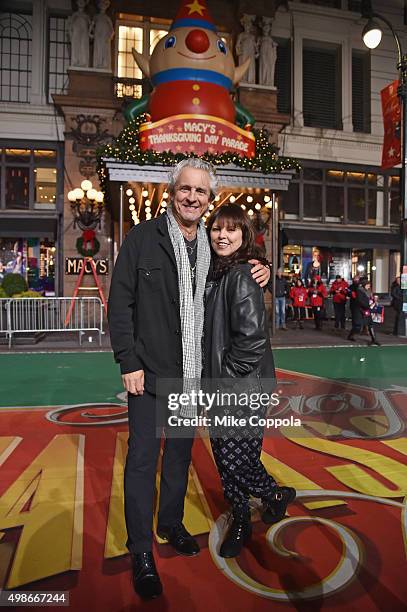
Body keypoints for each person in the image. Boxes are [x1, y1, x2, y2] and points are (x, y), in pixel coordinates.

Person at [108, 159, 270, 600]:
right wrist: (128, 361)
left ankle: (171, 523)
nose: (193, 197)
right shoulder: (143, 238)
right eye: (186, 189)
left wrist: (263, 268)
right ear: (171, 191)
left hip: (190, 377)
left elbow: (240, 267)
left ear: (209, 198)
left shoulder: (211, 252)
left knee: (178, 457)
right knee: (142, 462)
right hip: (148, 373)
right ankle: (141, 550)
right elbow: (120, 304)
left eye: (201, 191)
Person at [203, 203, 296, 558]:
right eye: (216, 229)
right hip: (223, 383)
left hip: (240, 386)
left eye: (231, 230)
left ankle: (274, 493)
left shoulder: (241, 274)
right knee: (226, 459)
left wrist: (224, 383)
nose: (222, 235)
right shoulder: (215, 272)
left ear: (244, 236)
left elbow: (251, 341)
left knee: (239, 459)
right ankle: (242, 515)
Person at [347, 277, 380, 346]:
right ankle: (351, 335)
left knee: (370, 324)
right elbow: (360, 301)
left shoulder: (368, 291)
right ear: (364, 284)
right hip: (359, 310)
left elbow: (370, 299)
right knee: (357, 325)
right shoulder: (359, 291)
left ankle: (374, 339)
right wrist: (368, 305)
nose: (369, 286)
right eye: (368, 285)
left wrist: (374, 301)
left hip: (366, 309)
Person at [91, 0, 114, 70]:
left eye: (104, 4)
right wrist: (91, 34)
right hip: (98, 35)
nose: (103, 6)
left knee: (104, 50)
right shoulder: (96, 17)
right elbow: (91, 26)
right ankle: (97, 64)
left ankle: (104, 64)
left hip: (105, 36)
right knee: (98, 48)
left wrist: (110, 37)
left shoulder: (107, 18)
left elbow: (112, 30)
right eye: (101, 4)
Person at [236, 14, 257, 84]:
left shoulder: (252, 36)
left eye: (249, 25)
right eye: (246, 25)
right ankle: (243, 79)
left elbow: (255, 46)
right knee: (243, 64)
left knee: (250, 65)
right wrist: (238, 51)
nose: (247, 27)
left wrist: (257, 52)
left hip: (250, 52)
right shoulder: (241, 35)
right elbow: (237, 45)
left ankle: (250, 80)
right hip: (244, 51)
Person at [259, 17, 278, 87]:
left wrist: (274, 47)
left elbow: (274, 48)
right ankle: (263, 81)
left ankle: (267, 81)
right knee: (263, 65)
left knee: (268, 65)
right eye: (264, 28)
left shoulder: (270, 39)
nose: (266, 30)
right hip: (263, 52)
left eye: (267, 28)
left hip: (269, 53)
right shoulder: (260, 38)